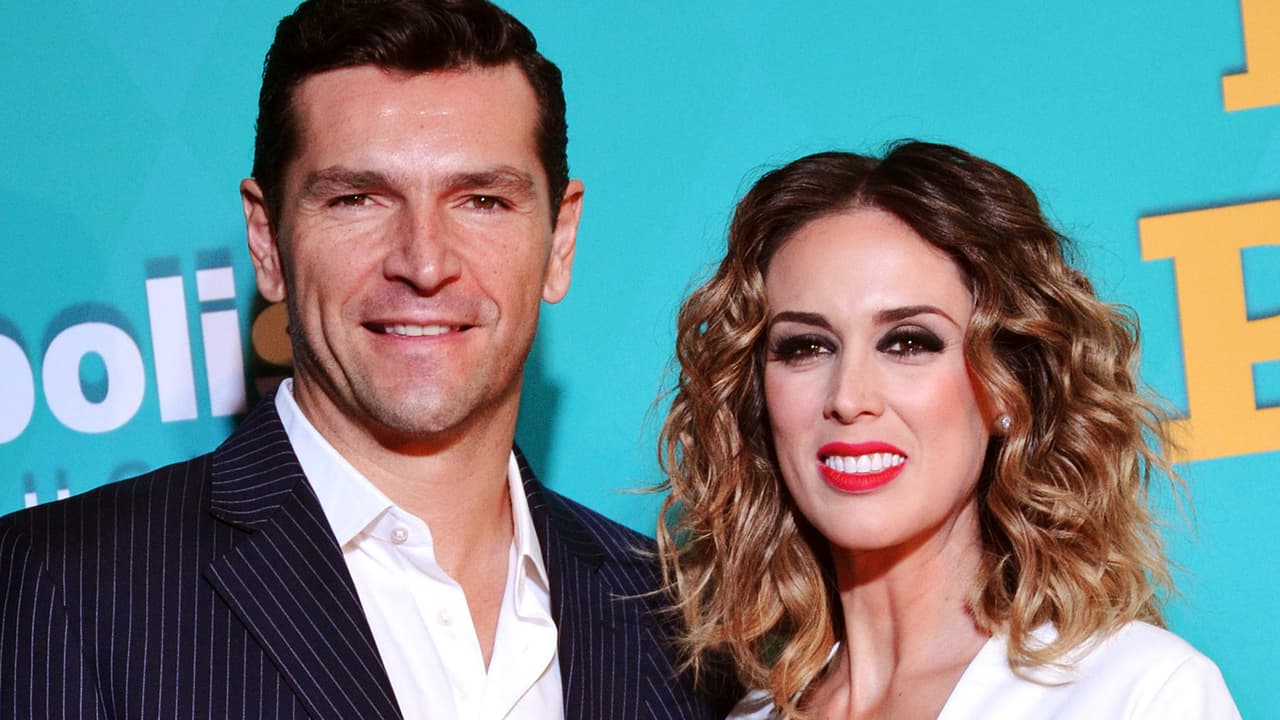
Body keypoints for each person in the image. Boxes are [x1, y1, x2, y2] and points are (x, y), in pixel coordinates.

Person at [0, 1, 732, 718]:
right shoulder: (69, 587)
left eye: (481, 200)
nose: (424, 263)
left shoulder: (684, 624)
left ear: (560, 241)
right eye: (357, 199)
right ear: (267, 241)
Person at [657, 141, 1240, 719]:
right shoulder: (753, 715)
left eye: (909, 342)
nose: (849, 398)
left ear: (1008, 389)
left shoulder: (1139, 693)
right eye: (807, 346)